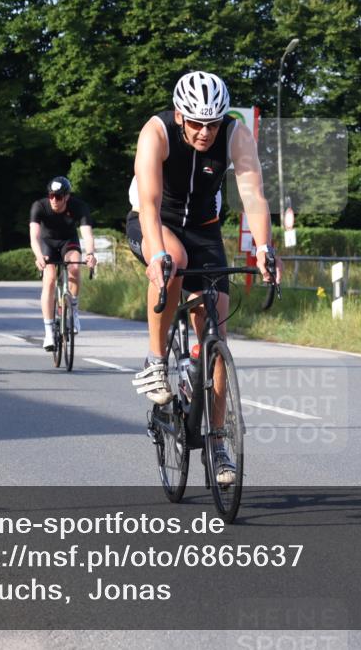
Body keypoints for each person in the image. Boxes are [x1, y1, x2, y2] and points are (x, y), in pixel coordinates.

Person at [126, 71, 279, 484]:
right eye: (196, 122)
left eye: (213, 123)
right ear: (180, 116)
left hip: (206, 229)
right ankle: (157, 361)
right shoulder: (156, 131)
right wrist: (156, 253)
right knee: (172, 260)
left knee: (214, 333)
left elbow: (254, 195)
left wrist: (265, 248)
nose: (205, 132)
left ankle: (217, 445)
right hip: (156, 221)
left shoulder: (235, 134)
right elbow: (150, 203)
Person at [29, 176, 97, 350]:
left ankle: (73, 311)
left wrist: (90, 254)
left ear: (67, 197)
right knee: (50, 278)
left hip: (68, 241)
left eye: (58, 197)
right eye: (51, 195)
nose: (54, 200)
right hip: (47, 243)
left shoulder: (79, 206)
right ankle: (49, 333)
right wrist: (38, 256)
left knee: (74, 266)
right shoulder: (40, 206)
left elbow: (87, 234)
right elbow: (34, 237)